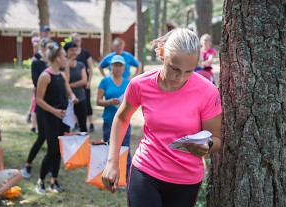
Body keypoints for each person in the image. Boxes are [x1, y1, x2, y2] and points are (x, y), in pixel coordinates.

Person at [101, 28, 222, 207]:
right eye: (175, 69)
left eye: (189, 71)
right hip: (146, 170)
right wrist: (112, 162)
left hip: (186, 180)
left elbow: (217, 139)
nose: (180, 78)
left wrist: (207, 146)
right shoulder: (140, 84)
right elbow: (121, 118)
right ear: (162, 54)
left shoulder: (207, 91)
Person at [35, 45, 78, 194]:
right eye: (64, 56)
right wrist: (54, 111)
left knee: (59, 150)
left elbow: (69, 92)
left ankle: (54, 180)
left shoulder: (62, 75)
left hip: (63, 116)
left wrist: (73, 98)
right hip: (50, 115)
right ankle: (40, 181)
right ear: (57, 58)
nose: (66, 59)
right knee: (52, 149)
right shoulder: (45, 76)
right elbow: (39, 100)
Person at [21, 38, 54, 179]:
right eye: (49, 48)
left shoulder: (58, 68)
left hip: (54, 107)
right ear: (43, 49)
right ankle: (28, 165)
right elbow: (36, 82)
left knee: (53, 140)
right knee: (42, 137)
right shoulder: (37, 64)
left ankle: (50, 168)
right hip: (42, 105)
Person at [97, 55, 131, 178]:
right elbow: (98, 101)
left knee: (124, 149)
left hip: (124, 121)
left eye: (120, 65)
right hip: (109, 120)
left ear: (124, 67)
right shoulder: (104, 81)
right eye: (115, 65)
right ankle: (108, 176)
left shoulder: (129, 83)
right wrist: (110, 102)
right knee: (109, 149)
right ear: (110, 66)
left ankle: (126, 177)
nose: (117, 68)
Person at [71, 33, 95, 132]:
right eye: (75, 40)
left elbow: (91, 68)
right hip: (73, 83)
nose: (77, 42)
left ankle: (91, 123)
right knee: (75, 104)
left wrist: (89, 82)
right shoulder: (71, 53)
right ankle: (76, 123)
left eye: (78, 40)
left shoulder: (85, 52)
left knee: (87, 104)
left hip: (84, 83)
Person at [63, 41, 88, 132]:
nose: (74, 52)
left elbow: (84, 81)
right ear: (66, 52)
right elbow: (66, 79)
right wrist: (67, 66)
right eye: (71, 50)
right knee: (66, 126)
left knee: (83, 125)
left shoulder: (81, 64)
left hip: (80, 97)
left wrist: (69, 85)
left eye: (75, 50)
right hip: (66, 99)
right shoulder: (62, 65)